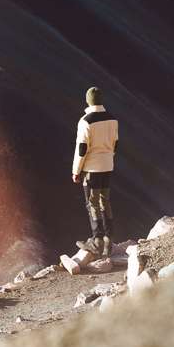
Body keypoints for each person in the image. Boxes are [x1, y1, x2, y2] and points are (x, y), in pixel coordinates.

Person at [71, 86, 119, 257]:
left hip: (91, 168)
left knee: (92, 203)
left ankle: (96, 241)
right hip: (107, 165)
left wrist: (76, 171)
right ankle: (109, 240)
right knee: (105, 201)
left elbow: (82, 149)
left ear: (88, 101)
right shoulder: (113, 119)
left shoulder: (85, 121)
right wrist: (108, 158)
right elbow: (115, 143)